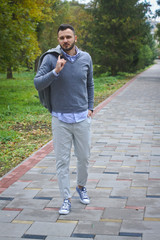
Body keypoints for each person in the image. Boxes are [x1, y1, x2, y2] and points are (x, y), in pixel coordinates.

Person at [34, 24, 94, 215]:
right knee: (62, 161)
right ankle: (66, 199)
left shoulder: (86, 58)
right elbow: (37, 83)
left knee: (84, 158)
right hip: (60, 119)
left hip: (82, 118)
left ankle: (81, 187)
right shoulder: (52, 58)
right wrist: (55, 71)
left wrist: (91, 107)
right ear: (58, 40)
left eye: (68, 37)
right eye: (61, 38)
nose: (65, 40)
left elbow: (90, 83)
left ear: (75, 38)